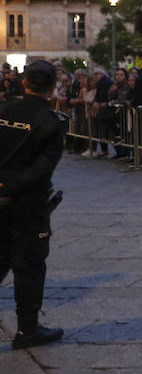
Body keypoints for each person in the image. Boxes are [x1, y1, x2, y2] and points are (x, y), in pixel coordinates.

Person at [0, 60, 67, 349]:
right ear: (53, 86)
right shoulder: (53, 121)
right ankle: (28, 330)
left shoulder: (3, 111)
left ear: (24, 82)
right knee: (29, 268)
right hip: (28, 204)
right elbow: (43, 168)